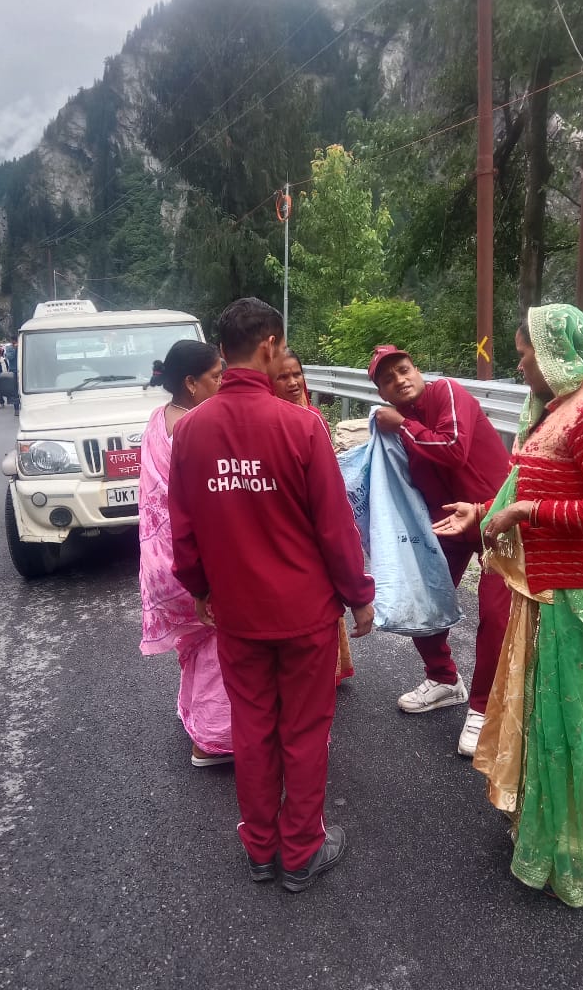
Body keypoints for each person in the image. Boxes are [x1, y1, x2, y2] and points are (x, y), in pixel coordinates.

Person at [434, 303, 583, 907]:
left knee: (575, 727)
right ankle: (547, 827)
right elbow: (526, 480)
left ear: (554, 356)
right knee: (548, 722)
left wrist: (527, 515)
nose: (519, 364)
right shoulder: (555, 410)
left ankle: (576, 845)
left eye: (524, 355)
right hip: (545, 590)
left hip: (575, 597)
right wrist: (484, 512)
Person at [168, 297, 374, 892]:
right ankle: (301, 848)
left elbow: (182, 531)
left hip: (237, 615)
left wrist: (202, 588)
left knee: (252, 730)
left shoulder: (192, 429)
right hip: (304, 615)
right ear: (267, 346)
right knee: (304, 732)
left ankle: (260, 848)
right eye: (281, 347)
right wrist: (359, 594)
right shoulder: (301, 425)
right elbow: (335, 527)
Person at [368, 345, 511, 756]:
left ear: (418, 369)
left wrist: (403, 428)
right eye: (388, 379)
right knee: (421, 599)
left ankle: (483, 709)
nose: (400, 379)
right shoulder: (396, 422)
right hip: (445, 523)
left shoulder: (445, 392)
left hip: (492, 518)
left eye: (404, 369)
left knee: (495, 615)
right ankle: (444, 678)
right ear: (382, 392)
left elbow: (452, 446)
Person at [138, 340, 231, 767]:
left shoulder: (160, 419)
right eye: (216, 375)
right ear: (191, 383)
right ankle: (213, 741)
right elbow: (209, 505)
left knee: (197, 641)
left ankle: (194, 715)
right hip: (189, 563)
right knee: (219, 640)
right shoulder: (197, 428)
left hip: (159, 562)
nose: (224, 381)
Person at [271, 348, 354, 685]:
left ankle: (328, 669)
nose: (292, 382)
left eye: (296, 374)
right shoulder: (272, 422)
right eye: (282, 376)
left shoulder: (315, 417)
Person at [4, 337, 20, 415]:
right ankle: (16, 409)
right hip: (14, 371)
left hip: (22, 371)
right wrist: (14, 349)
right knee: (15, 391)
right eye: (13, 342)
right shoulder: (9, 348)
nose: (14, 342)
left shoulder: (22, 346)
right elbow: (10, 357)